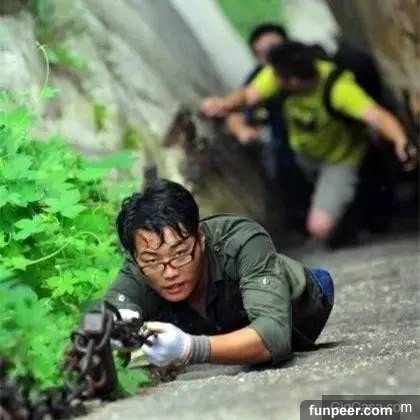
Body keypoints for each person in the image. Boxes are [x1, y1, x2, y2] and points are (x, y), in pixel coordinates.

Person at [103, 179, 334, 368]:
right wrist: (119, 326)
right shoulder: (140, 264)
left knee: (290, 291)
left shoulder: (241, 241)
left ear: (201, 238)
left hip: (299, 300)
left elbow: (273, 336)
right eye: (153, 260)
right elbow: (112, 306)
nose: (170, 272)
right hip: (218, 323)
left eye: (180, 253)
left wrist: (189, 348)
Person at [202, 42, 417, 243]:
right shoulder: (279, 74)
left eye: (279, 78)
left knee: (320, 227)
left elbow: (376, 116)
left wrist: (400, 140)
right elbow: (248, 95)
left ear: (293, 81)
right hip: (303, 155)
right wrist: (224, 105)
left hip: (339, 160)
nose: (274, 79)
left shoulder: (339, 89)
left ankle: (352, 220)